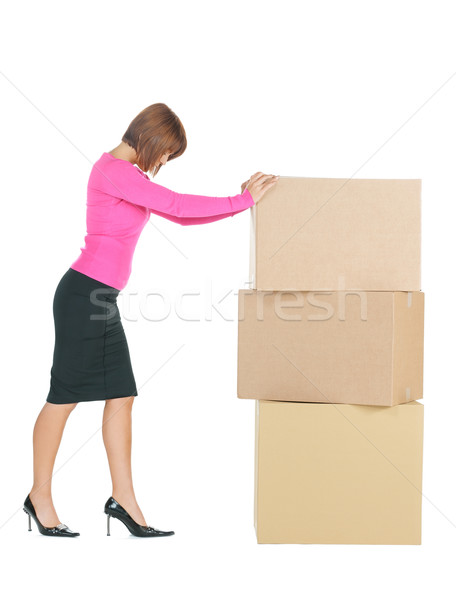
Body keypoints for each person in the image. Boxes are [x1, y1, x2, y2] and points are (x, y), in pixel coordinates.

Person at [23, 102, 279, 538]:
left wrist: (241, 204)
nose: (162, 163)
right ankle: (38, 498)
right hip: (83, 297)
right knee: (63, 397)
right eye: (165, 154)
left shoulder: (129, 177)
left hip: (99, 299)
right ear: (153, 139)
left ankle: (123, 500)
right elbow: (178, 205)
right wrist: (244, 200)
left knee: (121, 394)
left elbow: (178, 214)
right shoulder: (114, 172)